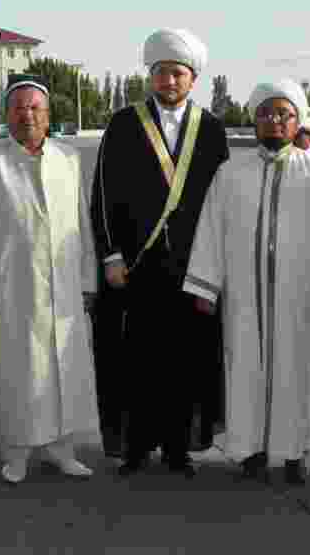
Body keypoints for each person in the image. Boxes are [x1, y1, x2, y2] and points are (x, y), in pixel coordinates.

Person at [184, 79, 310, 485]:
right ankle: (251, 452)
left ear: (297, 120)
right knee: (245, 370)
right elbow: (210, 229)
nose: (274, 120)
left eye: (284, 113)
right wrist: (206, 285)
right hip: (244, 294)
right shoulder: (230, 173)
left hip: (301, 293)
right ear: (254, 119)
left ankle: (294, 453)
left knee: (298, 372)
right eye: (266, 112)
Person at [91, 29, 228, 478]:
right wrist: (110, 256)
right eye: (161, 73)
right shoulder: (124, 123)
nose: (169, 81)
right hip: (137, 265)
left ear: (193, 79)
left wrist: (218, 263)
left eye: (178, 73)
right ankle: (135, 446)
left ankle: (177, 447)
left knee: (186, 359)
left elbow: (222, 200)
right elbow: (104, 193)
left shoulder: (210, 128)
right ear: (150, 76)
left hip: (193, 264)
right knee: (137, 358)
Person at [0, 75, 98, 484]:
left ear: (48, 114)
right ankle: (15, 454)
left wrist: (88, 280)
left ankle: (62, 450)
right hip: (12, 289)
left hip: (64, 288)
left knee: (62, 372)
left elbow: (81, 224)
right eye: (19, 107)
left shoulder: (68, 159)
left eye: (35, 108)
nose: (27, 115)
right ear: (7, 115)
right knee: (16, 373)